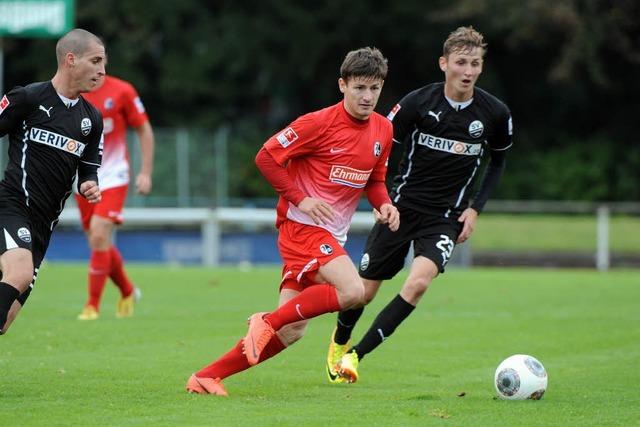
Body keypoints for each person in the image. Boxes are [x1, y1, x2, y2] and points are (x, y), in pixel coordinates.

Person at [186, 47, 400, 396]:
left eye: (374, 88)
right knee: (353, 291)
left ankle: (206, 376)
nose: (367, 96)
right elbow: (266, 157)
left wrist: (385, 205)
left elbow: (374, 181)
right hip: (300, 227)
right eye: (360, 87)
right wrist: (302, 199)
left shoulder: (383, 130)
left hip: (330, 234)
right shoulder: (317, 123)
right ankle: (265, 321)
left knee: (292, 330)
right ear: (342, 85)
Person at [326, 26, 514, 383]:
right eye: (461, 62)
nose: (468, 70)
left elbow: (498, 163)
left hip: (445, 217)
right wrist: (378, 196)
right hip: (401, 208)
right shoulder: (418, 102)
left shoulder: (495, 113)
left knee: (418, 283)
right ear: (444, 64)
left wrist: (474, 209)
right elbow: (382, 143)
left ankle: (354, 357)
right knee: (361, 294)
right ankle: (338, 342)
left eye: (475, 63)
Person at [0, 28, 105, 334]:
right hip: (12, 205)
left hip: (44, 226)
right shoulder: (28, 98)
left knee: (4, 322)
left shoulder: (91, 120)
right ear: (71, 60)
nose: (102, 71)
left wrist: (89, 184)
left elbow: (88, 169)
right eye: (96, 61)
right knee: (18, 274)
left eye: (104, 63)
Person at [75, 74, 154, 321]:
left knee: (99, 234)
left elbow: (144, 129)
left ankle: (92, 306)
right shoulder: (69, 93)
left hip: (114, 175)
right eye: (92, 60)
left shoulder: (122, 90)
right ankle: (128, 291)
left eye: (100, 60)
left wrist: (145, 172)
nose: (98, 67)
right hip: (83, 177)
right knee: (99, 243)